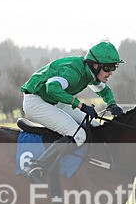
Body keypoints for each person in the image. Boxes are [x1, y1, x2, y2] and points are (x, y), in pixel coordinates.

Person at [19, 40, 125, 183]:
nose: (111, 72)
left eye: (114, 68)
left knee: (96, 126)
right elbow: (52, 87)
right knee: (79, 135)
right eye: (108, 68)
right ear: (95, 65)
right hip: (36, 102)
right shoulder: (74, 72)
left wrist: (112, 104)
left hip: (54, 100)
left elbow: (104, 90)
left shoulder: (90, 74)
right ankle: (35, 167)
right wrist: (80, 105)